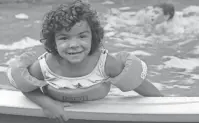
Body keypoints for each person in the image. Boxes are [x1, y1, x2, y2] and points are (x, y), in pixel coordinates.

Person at [7, 0, 163, 122]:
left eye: (82, 36)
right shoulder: (45, 66)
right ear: (53, 42)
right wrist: (47, 104)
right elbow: (26, 86)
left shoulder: (106, 63)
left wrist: (168, 107)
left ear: (93, 37)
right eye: (64, 38)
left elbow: (138, 83)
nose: (74, 45)